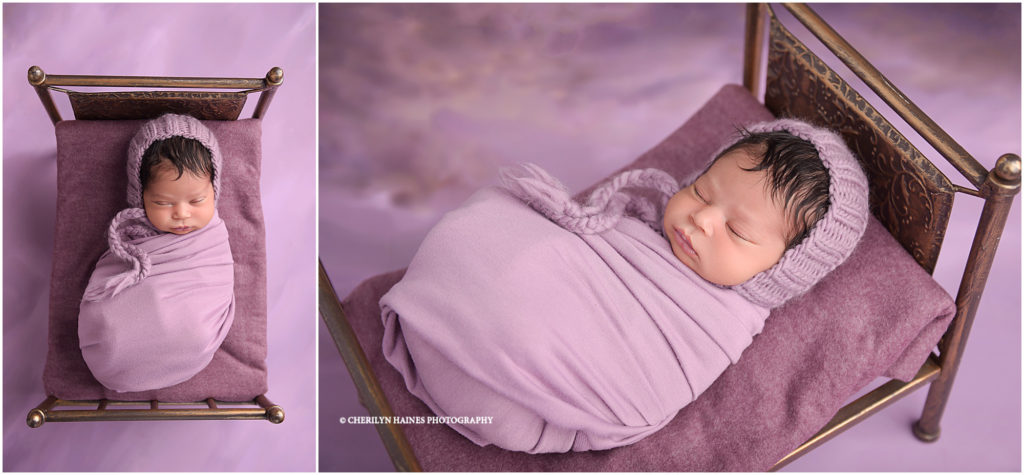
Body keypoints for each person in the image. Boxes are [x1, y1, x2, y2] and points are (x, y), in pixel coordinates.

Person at [379, 118, 870, 452]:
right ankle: (471, 314)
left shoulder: (716, 321)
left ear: (782, 271)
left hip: (518, 400)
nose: (701, 219)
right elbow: (587, 254)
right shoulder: (647, 227)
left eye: (738, 232)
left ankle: (477, 330)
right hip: (482, 327)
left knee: (516, 280)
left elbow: (645, 372)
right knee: (490, 222)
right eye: (701, 190)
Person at [78, 114, 235, 393]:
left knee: (195, 332)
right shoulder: (132, 237)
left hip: (190, 337)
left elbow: (212, 286)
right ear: (141, 197)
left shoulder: (211, 240)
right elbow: (110, 285)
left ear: (214, 191)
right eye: (163, 202)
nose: (182, 214)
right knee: (110, 331)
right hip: (119, 340)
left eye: (197, 200)